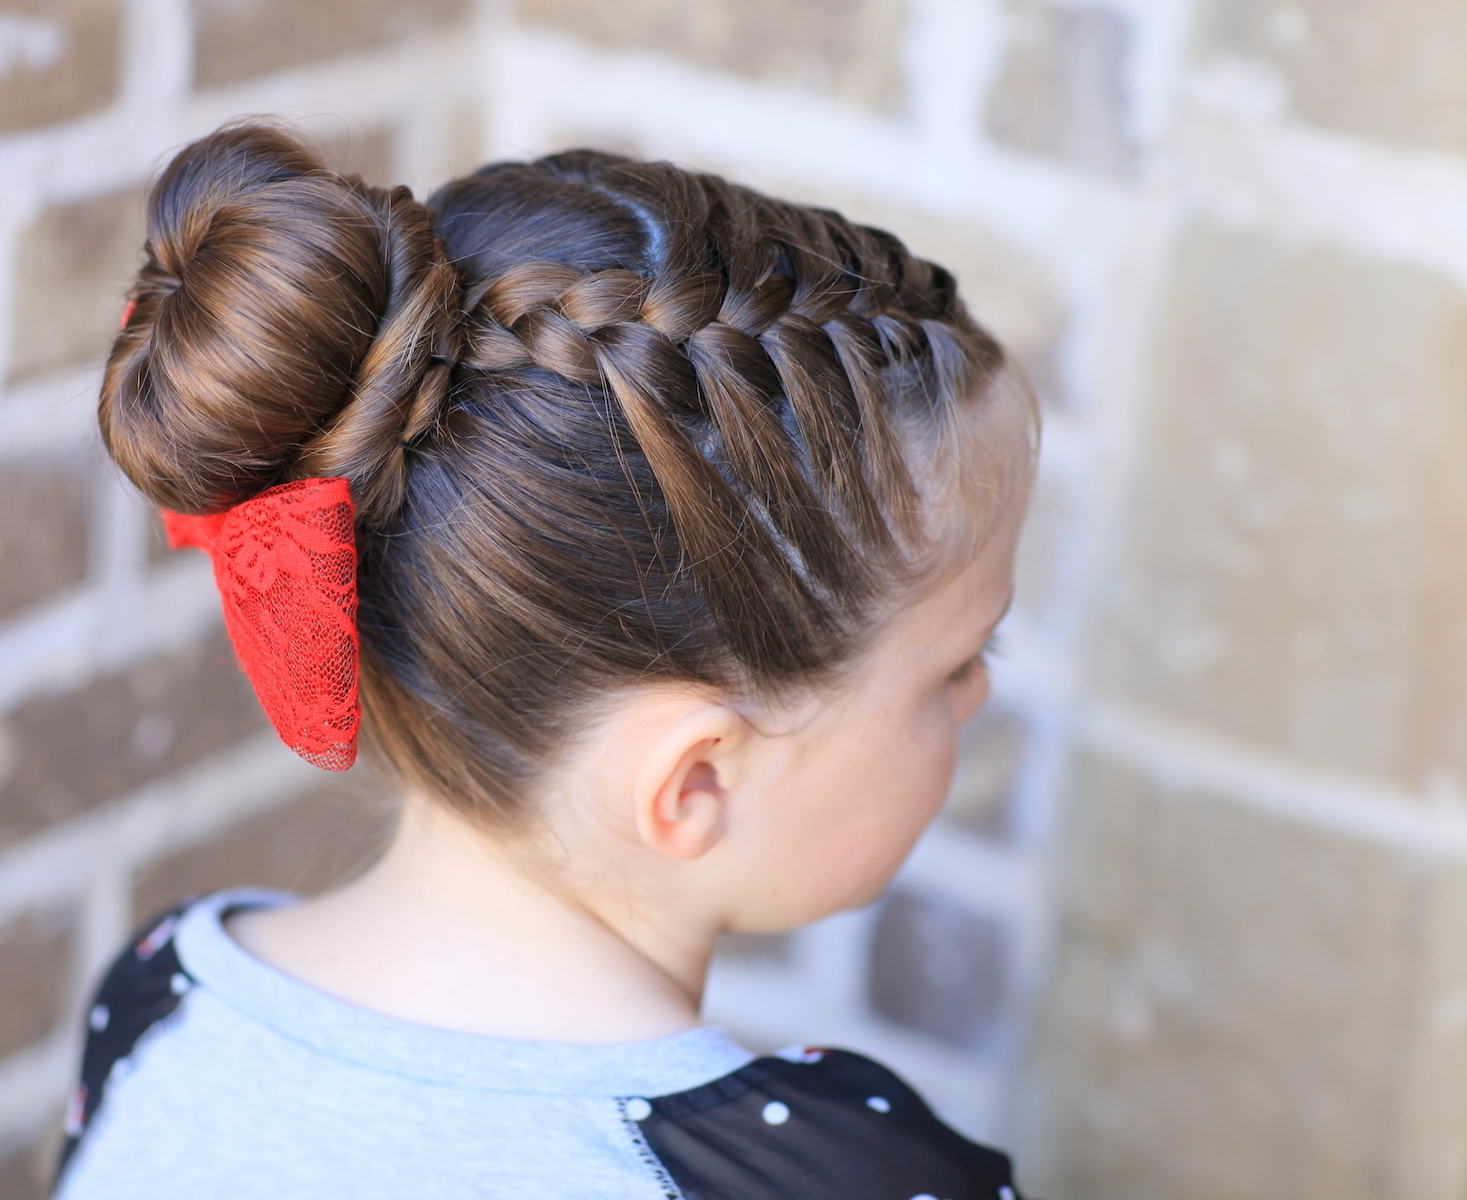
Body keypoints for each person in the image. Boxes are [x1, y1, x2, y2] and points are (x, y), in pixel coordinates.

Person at [54, 117, 1037, 1200]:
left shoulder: (162, 998)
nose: (981, 690)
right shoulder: (830, 1179)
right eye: (956, 663)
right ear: (695, 779)